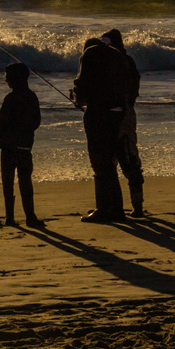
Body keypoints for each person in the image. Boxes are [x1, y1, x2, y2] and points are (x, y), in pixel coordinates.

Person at [70, 36, 127, 222]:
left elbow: (82, 86)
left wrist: (77, 99)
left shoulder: (90, 53)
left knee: (99, 161)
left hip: (99, 113)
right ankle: (116, 208)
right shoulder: (117, 54)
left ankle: (103, 208)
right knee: (109, 160)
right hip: (119, 112)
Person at [0, 63, 43, 227]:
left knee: (8, 182)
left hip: (9, 147)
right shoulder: (31, 97)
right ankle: (30, 216)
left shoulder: (11, 98)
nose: (6, 80)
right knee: (25, 182)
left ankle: (10, 217)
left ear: (14, 79)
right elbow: (36, 121)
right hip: (24, 146)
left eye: (7, 77)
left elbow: (0, 122)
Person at [102, 28, 145, 218]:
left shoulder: (115, 62)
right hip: (125, 111)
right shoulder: (127, 61)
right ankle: (129, 205)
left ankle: (134, 206)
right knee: (125, 156)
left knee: (125, 157)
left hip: (122, 114)